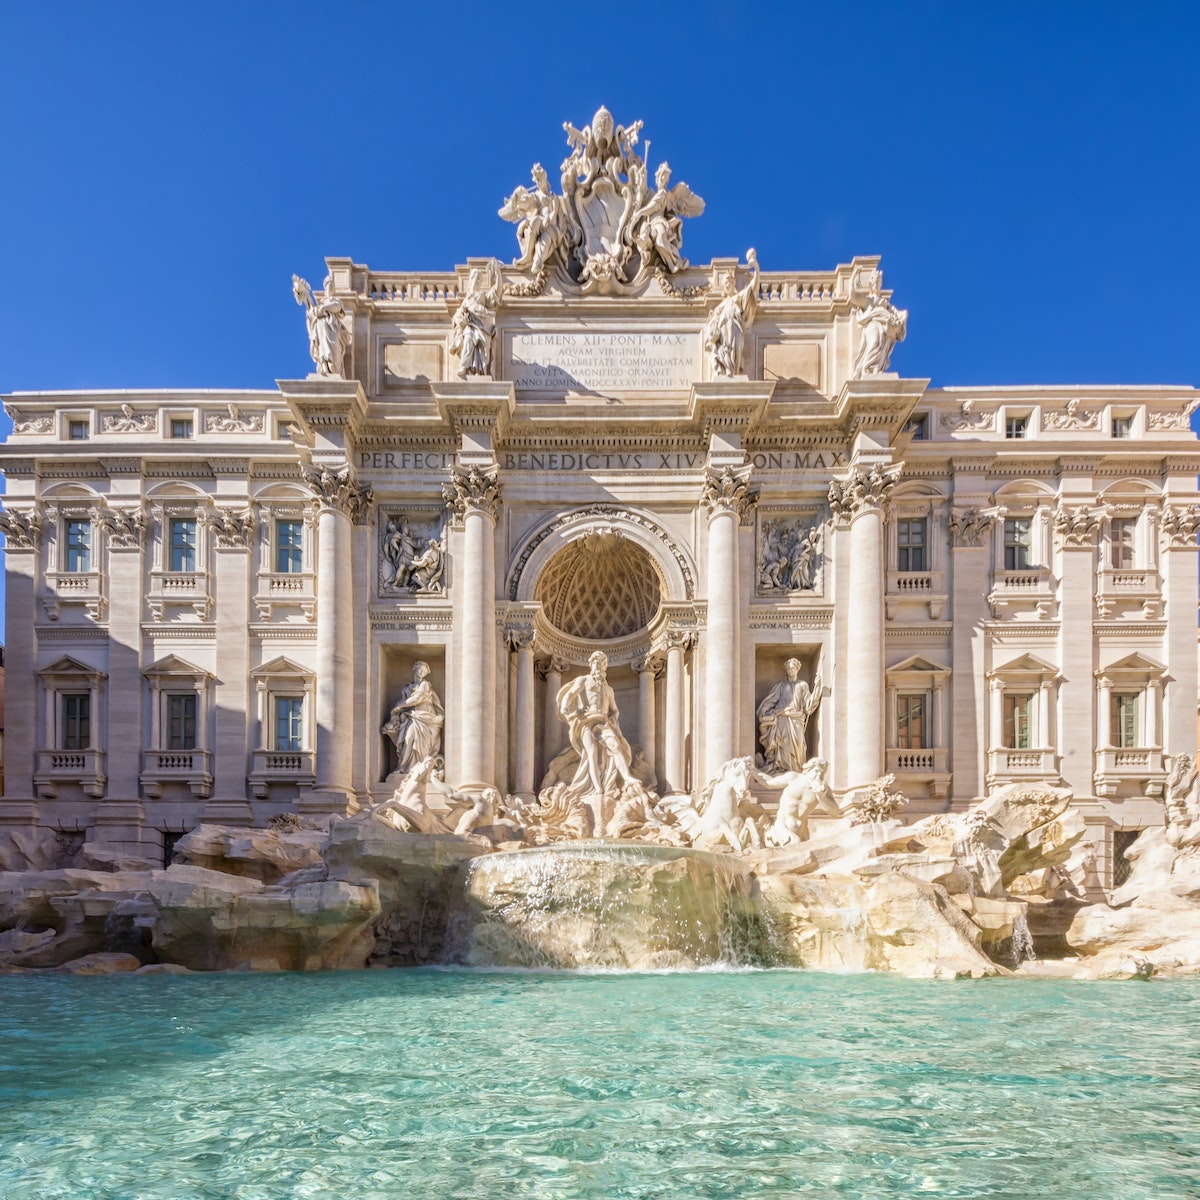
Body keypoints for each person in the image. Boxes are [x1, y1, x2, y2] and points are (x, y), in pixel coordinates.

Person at [557, 650, 638, 798]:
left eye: (600, 663)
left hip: (603, 723)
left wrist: (613, 719)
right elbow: (571, 693)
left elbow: (614, 710)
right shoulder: (584, 680)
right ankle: (597, 789)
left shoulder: (608, 689)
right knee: (592, 753)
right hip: (586, 722)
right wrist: (565, 706)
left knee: (615, 746)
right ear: (591, 665)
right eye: (595, 662)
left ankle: (626, 777)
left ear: (604, 666)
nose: (597, 666)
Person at [756, 660, 822, 773]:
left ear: (797, 669)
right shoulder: (781, 686)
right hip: (782, 717)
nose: (790, 671)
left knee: (798, 745)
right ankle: (780, 768)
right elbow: (771, 700)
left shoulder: (802, 685)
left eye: (793, 669)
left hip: (796, 719)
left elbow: (808, 705)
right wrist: (764, 710)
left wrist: (817, 688)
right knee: (782, 744)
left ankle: (795, 769)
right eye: (789, 669)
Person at [703, 249, 759, 376]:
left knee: (738, 347)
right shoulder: (720, 306)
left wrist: (756, 268)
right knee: (726, 349)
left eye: (729, 281)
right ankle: (727, 368)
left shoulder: (739, 297)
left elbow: (753, 289)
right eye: (725, 283)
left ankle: (734, 370)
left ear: (733, 282)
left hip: (736, 328)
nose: (727, 284)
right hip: (724, 330)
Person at [382, 662, 444, 776]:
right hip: (411, 716)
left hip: (425, 718)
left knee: (421, 744)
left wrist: (399, 707)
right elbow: (403, 701)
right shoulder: (407, 687)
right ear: (414, 669)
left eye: (424, 672)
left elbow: (417, 699)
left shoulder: (425, 684)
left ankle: (420, 770)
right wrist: (397, 710)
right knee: (408, 738)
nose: (421, 673)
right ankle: (403, 768)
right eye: (420, 670)